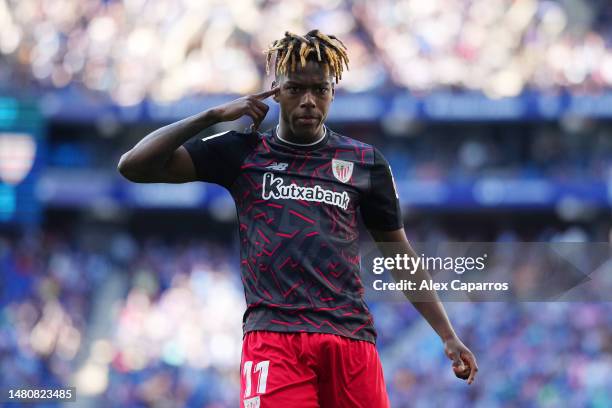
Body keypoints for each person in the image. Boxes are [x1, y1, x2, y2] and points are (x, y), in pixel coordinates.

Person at [118, 29, 478, 408]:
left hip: (350, 341)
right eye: (295, 89)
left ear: (332, 93)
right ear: (275, 91)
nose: (309, 100)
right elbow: (134, 166)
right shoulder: (242, 151)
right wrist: (211, 115)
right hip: (275, 340)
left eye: (320, 90)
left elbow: (399, 255)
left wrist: (447, 334)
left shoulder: (365, 162)